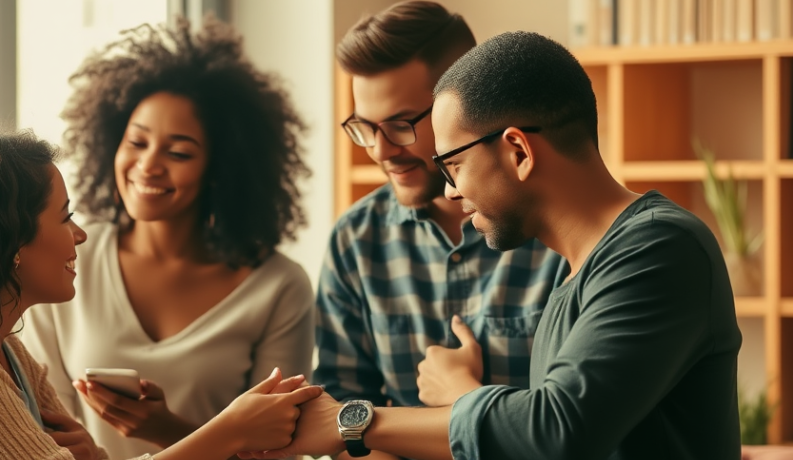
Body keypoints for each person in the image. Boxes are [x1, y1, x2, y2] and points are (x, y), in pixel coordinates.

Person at [241, 31, 742, 460]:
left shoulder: (658, 248)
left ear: (518, 150)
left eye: (453, 166)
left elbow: (555, 430)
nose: (452, 191)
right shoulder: (578, 271)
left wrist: (361, 420)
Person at [0, 126, 322, 460]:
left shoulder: (5, 350)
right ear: (7, 240)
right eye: (64, 217)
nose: (80, 235)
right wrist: (227, 431)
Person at [20, 16, 316, 459]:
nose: (149, 166)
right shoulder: (64, 254)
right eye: (136, 142)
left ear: (221, 170)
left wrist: (167, 429)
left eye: (178, 152)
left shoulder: (278, 288)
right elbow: (44, 434)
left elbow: (279, 451)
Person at [316, 0, 566, 459]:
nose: (380, 151)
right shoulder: (355, 241)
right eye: (363, 128)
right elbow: (339, 418)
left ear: (460, 105)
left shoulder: (557, 233)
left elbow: (569, 430)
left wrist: (461, 397)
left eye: (399, 125)